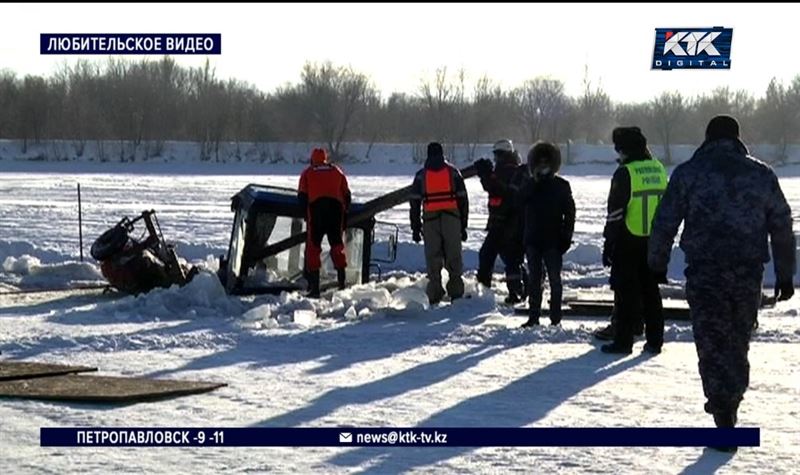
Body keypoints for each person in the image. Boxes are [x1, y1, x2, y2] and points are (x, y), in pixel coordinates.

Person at [648, 115, 795, 447]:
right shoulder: (761, 174)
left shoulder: (689, 173)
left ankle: (722, 411)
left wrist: (656, 263)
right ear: (737, 138)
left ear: (708, 137)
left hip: (706, 272)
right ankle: (731, 402)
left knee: (712, 341)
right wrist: (785, 274)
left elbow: (665, 220)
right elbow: (782, 225)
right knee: (738, 340)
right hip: (747, 273)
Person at [600, 127, 666, 355]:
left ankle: (623, 341)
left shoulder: (625, 173)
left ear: (624, 149)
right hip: (653, 239)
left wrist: (609, 244)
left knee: (625, 292)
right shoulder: (658, 168)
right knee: (651, 292)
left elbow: (615, 213)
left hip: (629, 238)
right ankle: (655, 341)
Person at [519, 142, 575, 327]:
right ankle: (533, 317)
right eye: (540, 163)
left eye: (546, 163)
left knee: (555, 280)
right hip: (533, 240)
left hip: (553, 240)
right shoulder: (529, 185)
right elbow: (517, 202)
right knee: (534, 280)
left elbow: (570, 213)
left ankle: (555, 319)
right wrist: (533, 182)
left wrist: (566, 237)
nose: (543, 167)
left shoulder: (561, 186)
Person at [409, 142, 469, 304]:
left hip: (430, 221)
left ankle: (435, 293)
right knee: (454, 256)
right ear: (442, 154)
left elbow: (414, 203)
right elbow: (463, 199)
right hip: (452, 219)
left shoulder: (421, 175)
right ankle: (456, 293)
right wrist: (463, 225)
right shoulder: (453, 172)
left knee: (433, 257)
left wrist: (415, 227)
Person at [474, 139, 528, 304]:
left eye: (499, 154)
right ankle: (521, 288)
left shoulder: (511, 171)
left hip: (508, 221)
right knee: (507, 258)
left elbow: (498, 188)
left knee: (493, 256)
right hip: (501, 221)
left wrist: (486, 174)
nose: (497, 158)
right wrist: (487, 175)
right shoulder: (503, 170)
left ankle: (492, 292)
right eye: (496, 155)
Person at [297, 147, 352, 298]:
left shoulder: (307, 173)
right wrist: (344, 215)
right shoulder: (337, 171)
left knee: (313, 249)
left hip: (316, 214)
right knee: (337, 247)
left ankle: (314, 289)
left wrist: (306, 216)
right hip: (335, 214)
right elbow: (347, 195)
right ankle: (342, 285)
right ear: (325, 158)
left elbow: (302, 197)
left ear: (312, 159)